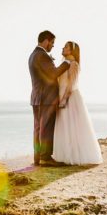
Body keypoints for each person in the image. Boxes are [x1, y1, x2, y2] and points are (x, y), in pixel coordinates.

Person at [53, 41, 104, 165]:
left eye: (65, 47)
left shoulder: (73, 64)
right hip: (61, 97)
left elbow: (71, 85)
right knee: (64, 127)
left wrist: (64, 100)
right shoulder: (64, 64)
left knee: (73, 127)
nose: (63, 48)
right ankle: (64, 155)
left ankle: (75, 156)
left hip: (70, 98)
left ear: (71, 51)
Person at [28, 30, 70, 166]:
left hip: (37, 98)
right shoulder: (42, 55)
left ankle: (38, 158)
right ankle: (45, 158)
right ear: (46, 40)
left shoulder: (33, 55)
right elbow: (53, 74)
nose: (52, 46)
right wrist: (67, 64)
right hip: (45, 98)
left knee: (38, 128)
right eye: (52, 43)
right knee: (46, 128)